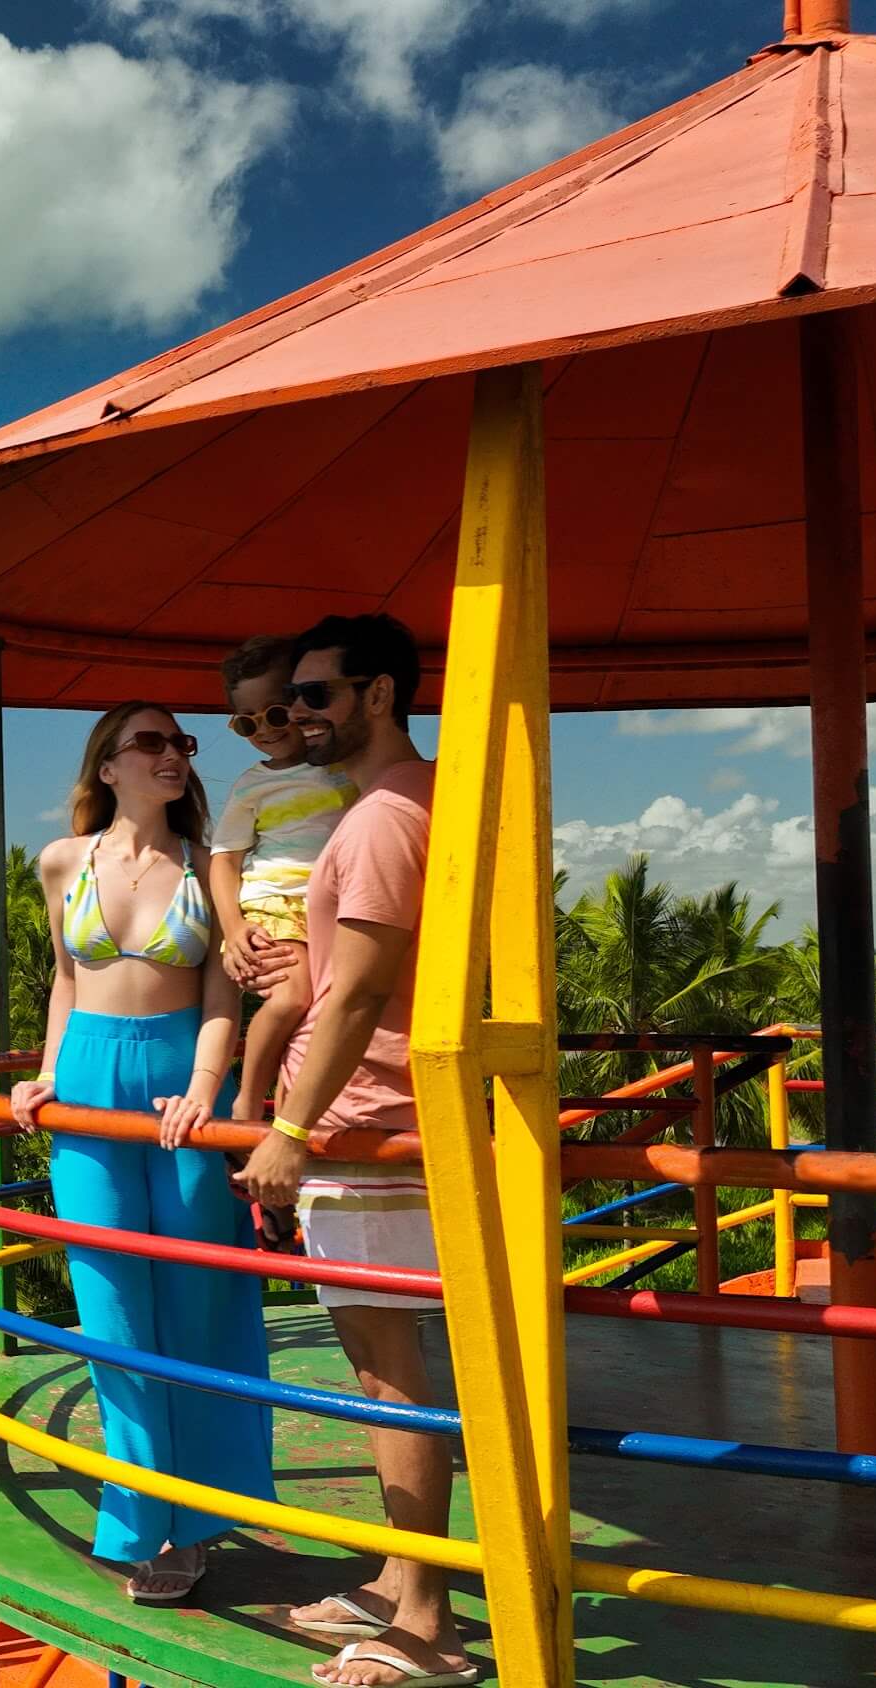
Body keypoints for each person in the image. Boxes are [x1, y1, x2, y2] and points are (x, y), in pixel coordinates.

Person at [232, 614, 476, 1688]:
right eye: (287, 704)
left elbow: (365, 989)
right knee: (382, 1370)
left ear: (379, 694)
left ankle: (424, 1619)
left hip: (370, 1124)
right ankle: (393, 1575)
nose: (296, 719)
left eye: (316, 697)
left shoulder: (382, 818)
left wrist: (289, 1130)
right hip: (376, 1116)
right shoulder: (411, 804)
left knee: (390, 1376)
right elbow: (338, 974)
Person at [9, 703, 277, 1606]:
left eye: (181, 744)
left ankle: (197, 1523)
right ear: (110, 765)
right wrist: (44, 1075)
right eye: (152, 743)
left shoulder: (209, 868)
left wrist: (208, 1085)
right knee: (113, 1308)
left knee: (200, 1299)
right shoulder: (60, 861)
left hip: (180, 1085)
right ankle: (136, 1518)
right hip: (86, 1080)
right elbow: (64, 976)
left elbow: (221, 993)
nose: (173, 756)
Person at [208, 635, 360, 1128]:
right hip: (277, 901)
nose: (263, 732)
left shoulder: (347, 768)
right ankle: (249, 1100)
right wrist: (233, 930)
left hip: (335, 906)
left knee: (327, 1008)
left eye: (274, 714)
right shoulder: (253, 783)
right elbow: (224, 859)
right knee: (293, 998)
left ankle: (302, 1103)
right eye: (246, 723)